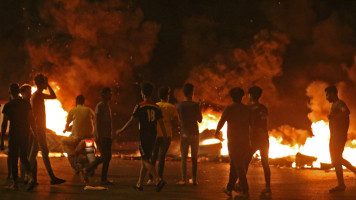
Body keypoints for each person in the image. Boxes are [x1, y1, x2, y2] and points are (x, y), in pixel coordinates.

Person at [116, 82, 167, 192]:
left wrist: (121, 130)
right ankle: (139, 184)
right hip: (153, 135)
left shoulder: (139, 106)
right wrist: (165, 135)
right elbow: (161, 123)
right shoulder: (156, 107)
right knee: (146, 158)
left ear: (142, 93)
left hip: (144, 135)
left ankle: (158, 179)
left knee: (145, 159)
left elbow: (131, 121)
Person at [29, 74, 65, 185]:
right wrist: (48, 84)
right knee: (43, 152)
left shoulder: (36, 95)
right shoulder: (38, 95)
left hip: (37, 128)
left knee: (33, 153)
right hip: (38, 128)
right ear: (42, 84)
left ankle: (30, 178)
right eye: (44, 82)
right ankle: (47, 178)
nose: (46, 84)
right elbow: (54, 96)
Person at [215, 87, 250, 198]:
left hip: (234, 141)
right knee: (234, 164)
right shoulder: (247, 109)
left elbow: (222, 120)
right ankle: (229, 188)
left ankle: (245, 190)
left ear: (232, 97)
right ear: (242, 97)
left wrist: (216, 132)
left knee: (238, 166)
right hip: (245, 140)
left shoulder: (229, 108)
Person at [0, 83, 36, 190]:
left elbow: (4, 123)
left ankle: (15, 183)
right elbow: (31, 118)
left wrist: (2, 139)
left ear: (10, 92)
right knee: (24, 156)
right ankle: (31, 177)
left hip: (14, 134)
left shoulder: (8, 106)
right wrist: (34, 131)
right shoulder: (26, 103)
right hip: (25, 133)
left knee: (14, 158)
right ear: (19, 92)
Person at [325, 85, 356, 192]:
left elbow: (346, 112)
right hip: (335, 136)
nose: (326, 97)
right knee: (337, 160)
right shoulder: (335, 105)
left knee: (336, 159)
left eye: (327, 94)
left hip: (338, 137)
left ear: (333, 93)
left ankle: (341, 185)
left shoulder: (340, 104)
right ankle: (351, 174)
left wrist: (334, 117)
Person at [147, 87, 179, 184]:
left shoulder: (154, 106)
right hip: (167, 135)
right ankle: (159, 178)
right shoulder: (172, 107)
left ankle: (150, 178)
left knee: (153, 156)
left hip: (155, 135)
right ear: (167, 96)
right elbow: (176, 122)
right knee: (162, 157)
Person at [243, 86, 271, 196]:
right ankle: (268, 187)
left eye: (248, 94)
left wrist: (249, 139)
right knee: (265, 162)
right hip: (264, 137)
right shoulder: (264, 108)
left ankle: (242, 184)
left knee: (245, 160)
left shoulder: (249, 109)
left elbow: (250, 125)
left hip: (254, 138)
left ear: (251, 95)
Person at [176, 83, 202, 185]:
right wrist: (199, 107)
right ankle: (194, 179)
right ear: (192, 93)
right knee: (194, 158)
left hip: (184, 132)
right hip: (194, 133)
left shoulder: (179, 105)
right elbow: (199, 120)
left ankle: (183, 179)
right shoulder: (195, 105)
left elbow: (179, 120)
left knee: (184, 157)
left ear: (183, 93)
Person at [62, 95, 95, 173]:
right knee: (91, 150)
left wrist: (67, 128)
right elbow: (92, 120)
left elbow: (67, 125)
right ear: (84, 102)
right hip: (89, 137)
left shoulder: (73, 111)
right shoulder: (89, 110)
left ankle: (75, 165)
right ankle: (92, 166)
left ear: (76, 102)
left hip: (76, 138)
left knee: (64, 142)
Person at [91, 87, 114, 185]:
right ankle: (89, 168)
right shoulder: (100, 105)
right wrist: (98, 136)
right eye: (109, 93)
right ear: (104, 94)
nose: (111, 95)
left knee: (107, 157)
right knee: (106, 156)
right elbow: (97, 122)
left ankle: (103, 178)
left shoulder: (107, 105)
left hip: (107, 135)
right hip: (102, 136)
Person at [19, 84, 34, 183]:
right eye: (28, 93)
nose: (30, 94)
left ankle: (26, 176)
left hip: (27, 132)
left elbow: (31, 119)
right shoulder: (20, 103)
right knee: (23, 155)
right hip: (21, 131)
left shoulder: (28, 103)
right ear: (22, 93)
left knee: (25, 154)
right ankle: (25, 176)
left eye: (30, 92)